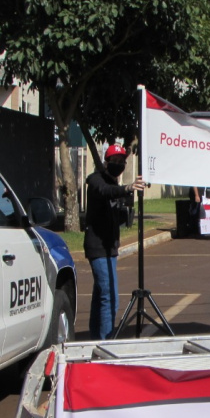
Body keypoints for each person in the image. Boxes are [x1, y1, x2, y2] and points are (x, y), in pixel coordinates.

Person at [84, 144, 146, 339]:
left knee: (100, 296)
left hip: (110, 248)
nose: (118, 165)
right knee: (110, 298)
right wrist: (127, 188)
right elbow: (105, 191)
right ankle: (105, 341)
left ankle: (96, 338)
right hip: (98, 247)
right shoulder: (96, 180)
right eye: (114, 161)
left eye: (122, 162)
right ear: (106, 162)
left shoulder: (113, 185)